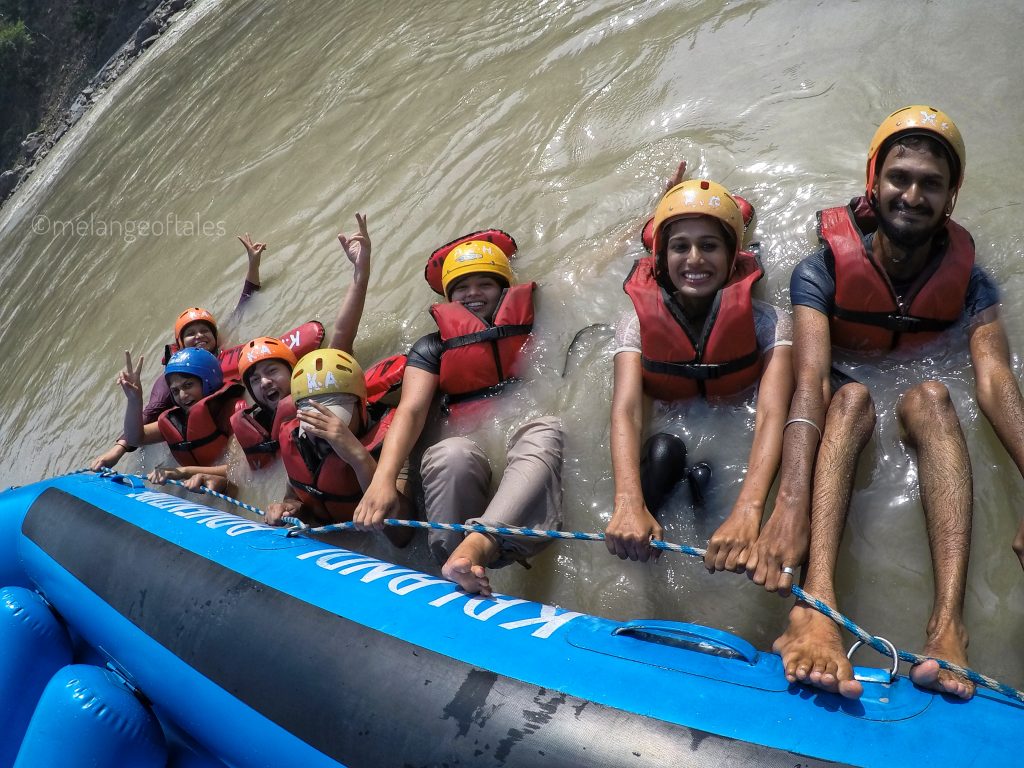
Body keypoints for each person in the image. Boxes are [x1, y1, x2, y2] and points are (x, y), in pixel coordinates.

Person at [768, 105, 1024, 701]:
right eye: (899, 177)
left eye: (931, 183)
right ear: (873, 182)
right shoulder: (822, 270)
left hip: (921, 381)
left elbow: (994, 380)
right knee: (850, 397)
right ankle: (819, 604)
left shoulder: (974, 284)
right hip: (846, 388)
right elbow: (810, 382)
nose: (912, 194)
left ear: (952, 195)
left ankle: (948, 628)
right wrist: (789, 501)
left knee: (934, 399)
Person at [354, 236, 563, 597]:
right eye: (461, 287)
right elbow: (412, 409)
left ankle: (478, 546)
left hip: (522, 435)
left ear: (504, 289)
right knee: (450, 453)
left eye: (485, 283)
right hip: (471, 447)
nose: (473, 293)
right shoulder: (432, 347)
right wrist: (383, 479)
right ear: (449, 298)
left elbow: (588, 268)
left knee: (546, 430)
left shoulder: (534, 322)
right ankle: (456, 566)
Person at [604, 176, 794, 572]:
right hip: (672, 430)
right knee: (662, 452)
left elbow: (772, 415)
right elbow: (626, 411)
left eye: (709, 246)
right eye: (680, 247)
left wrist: (748, 510)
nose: (694, 259)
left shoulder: (769, 323)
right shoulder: (635, 324)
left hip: (730, 431)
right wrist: (627, 504)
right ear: (660, 258)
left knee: (707, 480)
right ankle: (644, 565)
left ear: (732, 256)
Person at [89, 233, 269, 470]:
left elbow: (243, 305)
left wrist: (253, 264)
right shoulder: (172, 381)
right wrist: (119, 448)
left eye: (205, 331)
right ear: (180, 344)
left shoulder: (223, 357)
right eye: (190, 333)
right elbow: (150, 412)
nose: (199, 336)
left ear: (215, 337)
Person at [231, 214, 376, 470]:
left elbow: (343, 333)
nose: (264, 382)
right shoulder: (259, 424)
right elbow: (244, 472)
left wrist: (360, 273)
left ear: (294, 370)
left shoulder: (320, 382)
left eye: (272, 370)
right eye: (255, 379)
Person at [264, 349, 414, 548]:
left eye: (335, 419)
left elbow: (404, 537)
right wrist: (288, 509)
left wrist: (359, 458)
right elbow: (295, 498)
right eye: (315, 420)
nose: (324, 431)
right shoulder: (299, 439)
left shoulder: (393, 441)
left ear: (362, 407)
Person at [117, 347, 246, 492]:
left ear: (208, 381)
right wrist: (134, 400)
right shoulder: (175, 420)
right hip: (194, 486)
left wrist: (183, 472)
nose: (183, 395)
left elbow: (239, 469)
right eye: (175, 391)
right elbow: (135, 438)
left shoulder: (234, 413)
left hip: (230, 487)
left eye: (188, 385)